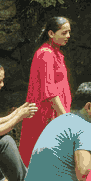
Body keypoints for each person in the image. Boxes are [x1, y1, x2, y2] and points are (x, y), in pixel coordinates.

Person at [19, 16, 73, 165]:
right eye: (64, 33)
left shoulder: (56, 53)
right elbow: (49, 91)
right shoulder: (45, 54)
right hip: (46, 114)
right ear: (51, 33)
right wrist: (65, 117)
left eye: (69, 32)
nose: (68, 36)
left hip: (55, 112)